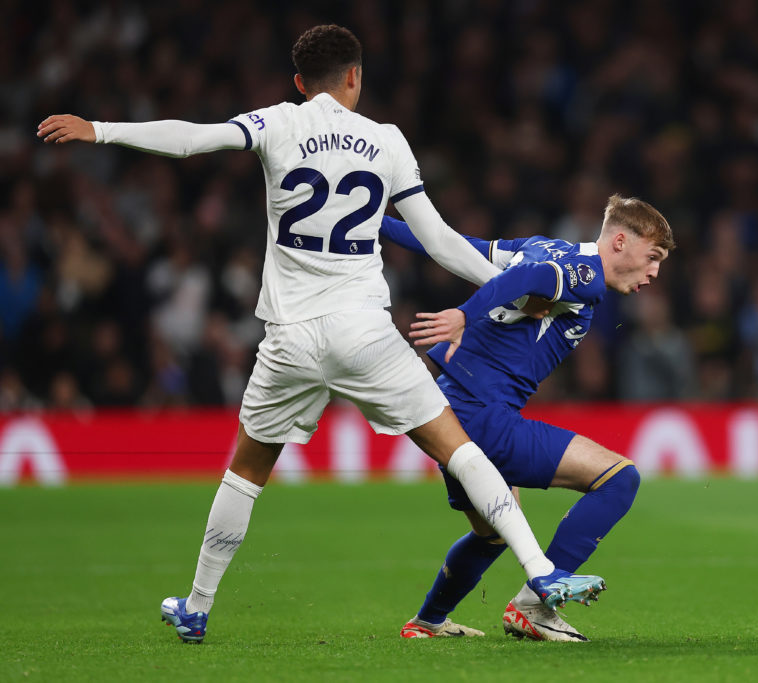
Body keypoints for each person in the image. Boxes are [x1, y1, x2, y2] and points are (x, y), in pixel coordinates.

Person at [37, 24, 604, 643]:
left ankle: (197, 606)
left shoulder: (278, 122)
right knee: (458, 448)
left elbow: (194, 140)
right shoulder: (385, 141)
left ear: (300, 83)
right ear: (356, 77)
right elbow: (441, 241)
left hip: (292, 337)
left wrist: (102, 129)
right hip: (365, 332)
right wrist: (517, 284)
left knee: (245, 472)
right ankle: (542, 571)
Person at [377, 193, 674, 641]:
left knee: (493, 532)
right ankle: (535, 607)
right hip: (484, 417)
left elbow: (450, 243)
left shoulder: (544, 244)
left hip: (449, 409)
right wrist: (463, 314)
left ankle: (428, 623)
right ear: (618, 242)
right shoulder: (586, 275)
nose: (654, 273)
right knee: (620, 477)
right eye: (652, 257)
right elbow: (534, 276)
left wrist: (366, 219)